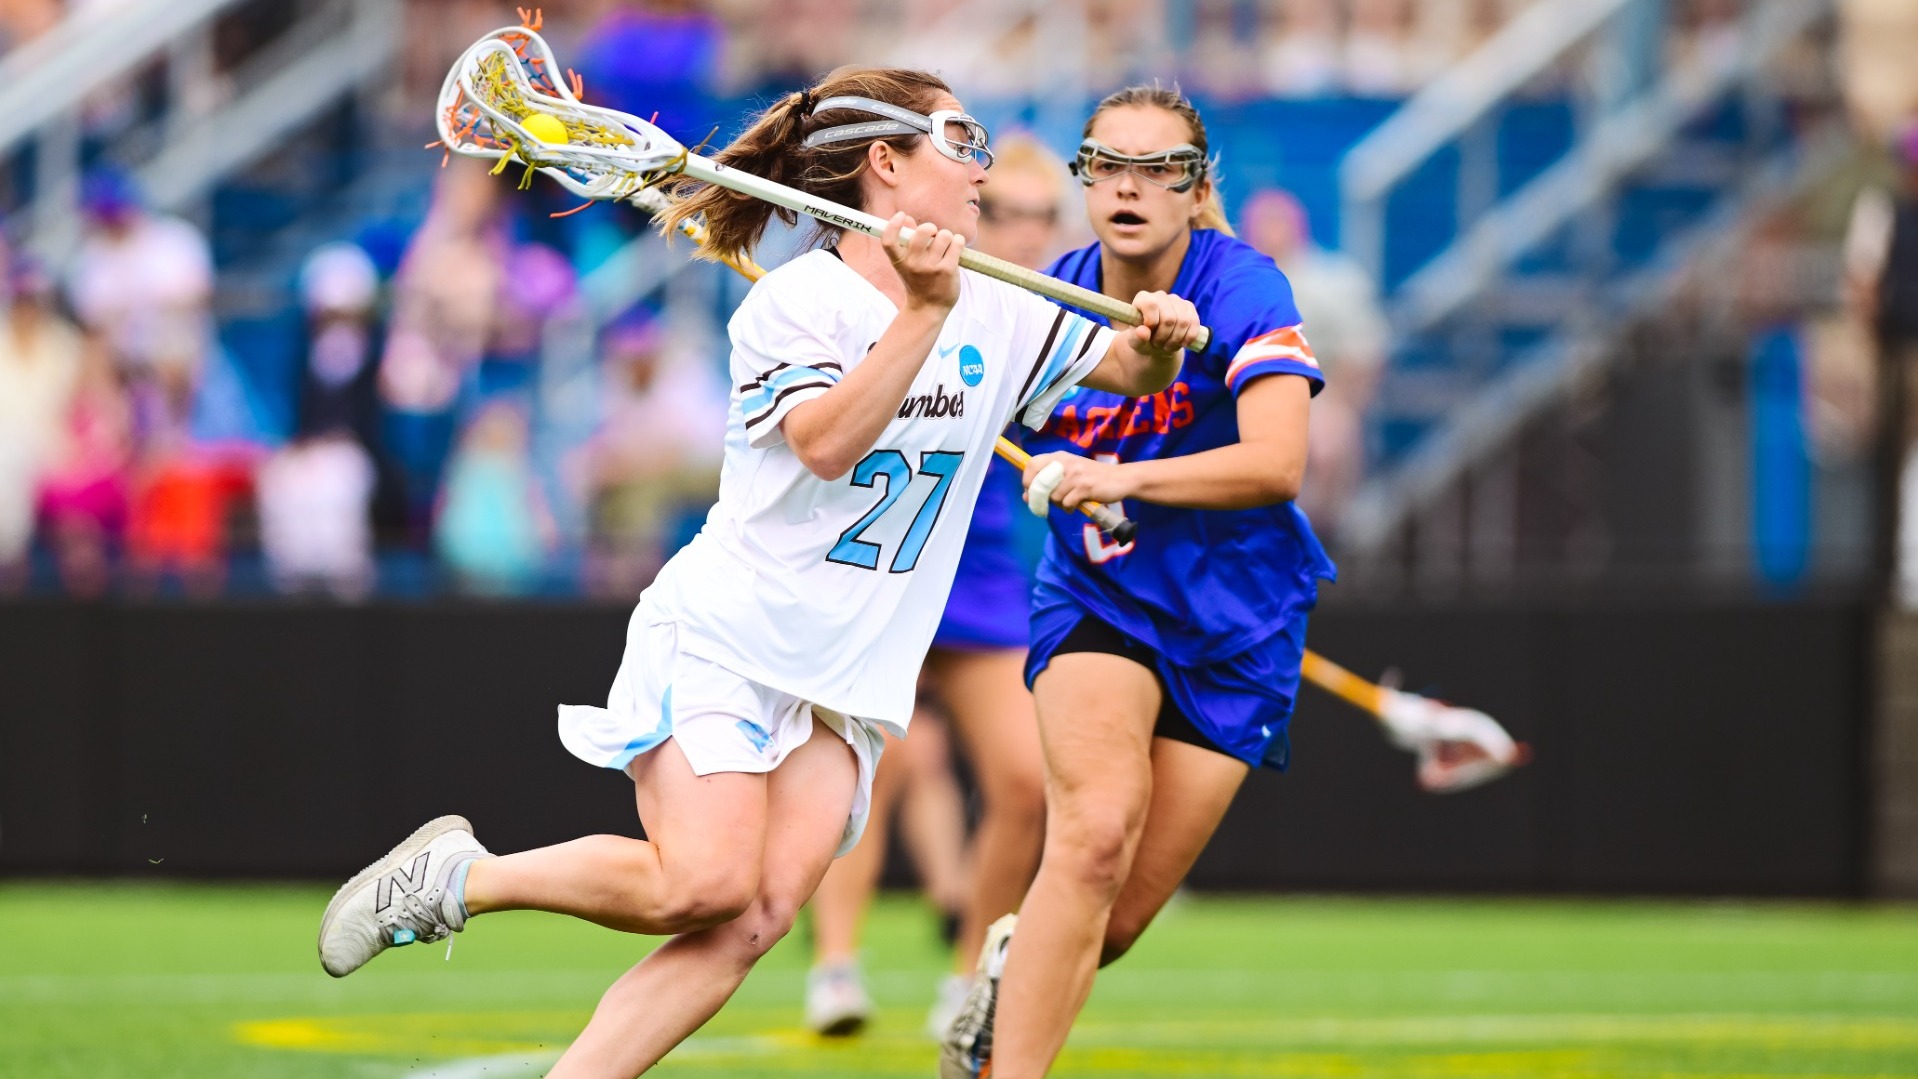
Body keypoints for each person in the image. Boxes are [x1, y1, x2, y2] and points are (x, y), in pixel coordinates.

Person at [315, 67, 1200, 1079]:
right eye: (959, 144)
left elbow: (1128, 370)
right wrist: (921, 313)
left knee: (755, 917)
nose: (979, 169)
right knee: (701, 883)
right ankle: (459, 877)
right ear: (885, 165)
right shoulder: (795, 304)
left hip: (848, 676)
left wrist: (1159, 344)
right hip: (733, 638)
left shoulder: (997, 300)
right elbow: (823, 442)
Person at [940, 85, 1334, 1079]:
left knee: (1107, 922)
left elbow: (1277, 462)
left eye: (1157, 169)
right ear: (1085, 180)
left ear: (1195, 188)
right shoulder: (1046, 295)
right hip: (1100, 595)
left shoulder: (1244, 287)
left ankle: (1009, 957)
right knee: (1093, 832)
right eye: (1109, 166)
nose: (1129, 187)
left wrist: (1120, 474)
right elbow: (962, 407)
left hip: (1239, 620)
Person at [801, 133, 1076, 1040]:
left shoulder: (1037, 317)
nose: (1030, 232)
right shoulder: (915, 286)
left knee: (1026, 785)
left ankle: (967, 982)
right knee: (865, 776)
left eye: (1046, 216)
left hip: (986, 579)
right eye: (1013, 213)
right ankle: (835, 968)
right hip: (891, 570)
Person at [1239, 188, 1388, 539]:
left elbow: (1365, 353)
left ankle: (1319, 535)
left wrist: (1341, 404)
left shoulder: (1335, 280)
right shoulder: (1235, 282)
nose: (1270, 232)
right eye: (1262, 223)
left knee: (1327, 435)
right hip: (1246, 391)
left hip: (1320, 392)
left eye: (1277, 222)